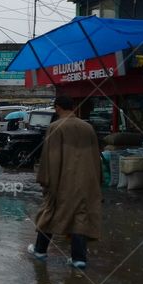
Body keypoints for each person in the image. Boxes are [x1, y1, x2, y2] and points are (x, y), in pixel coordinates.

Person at [27, 96, 102, 269]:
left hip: (62, 180)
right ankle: (79, 259)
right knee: (80, 217)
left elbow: (50, 158)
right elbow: (96, 158)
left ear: (57, 108)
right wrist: (97, 182)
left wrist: (45, 180)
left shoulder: (55, 127)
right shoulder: (88, 127)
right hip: (86, 180)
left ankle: (40, 249)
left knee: (50, 211)